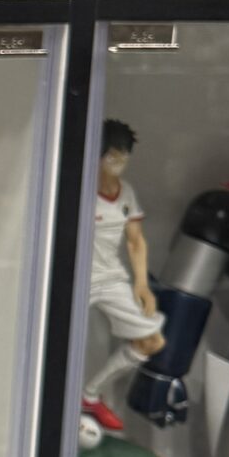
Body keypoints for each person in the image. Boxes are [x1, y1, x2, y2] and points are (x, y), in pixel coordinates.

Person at [86, 119, 163, 382]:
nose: (118, 164)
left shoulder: (126, 192)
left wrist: (141, 284)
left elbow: (135, 240)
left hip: (111, 278)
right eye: (112, 157)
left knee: (152, 341)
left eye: (123, 158)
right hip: (78, 280)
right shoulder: (80, 192)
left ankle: (91, 394)